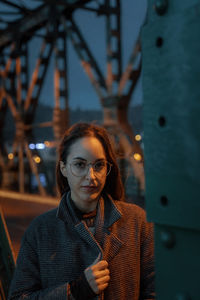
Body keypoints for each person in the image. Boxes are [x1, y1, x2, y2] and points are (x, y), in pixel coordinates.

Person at [8, 122, 155, 300]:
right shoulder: (40, 231)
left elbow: (155, 292)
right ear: (63, 168)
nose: (91, 176)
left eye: (99, 165)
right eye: (79, 165)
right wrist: (75, 291)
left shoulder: (137, 222)